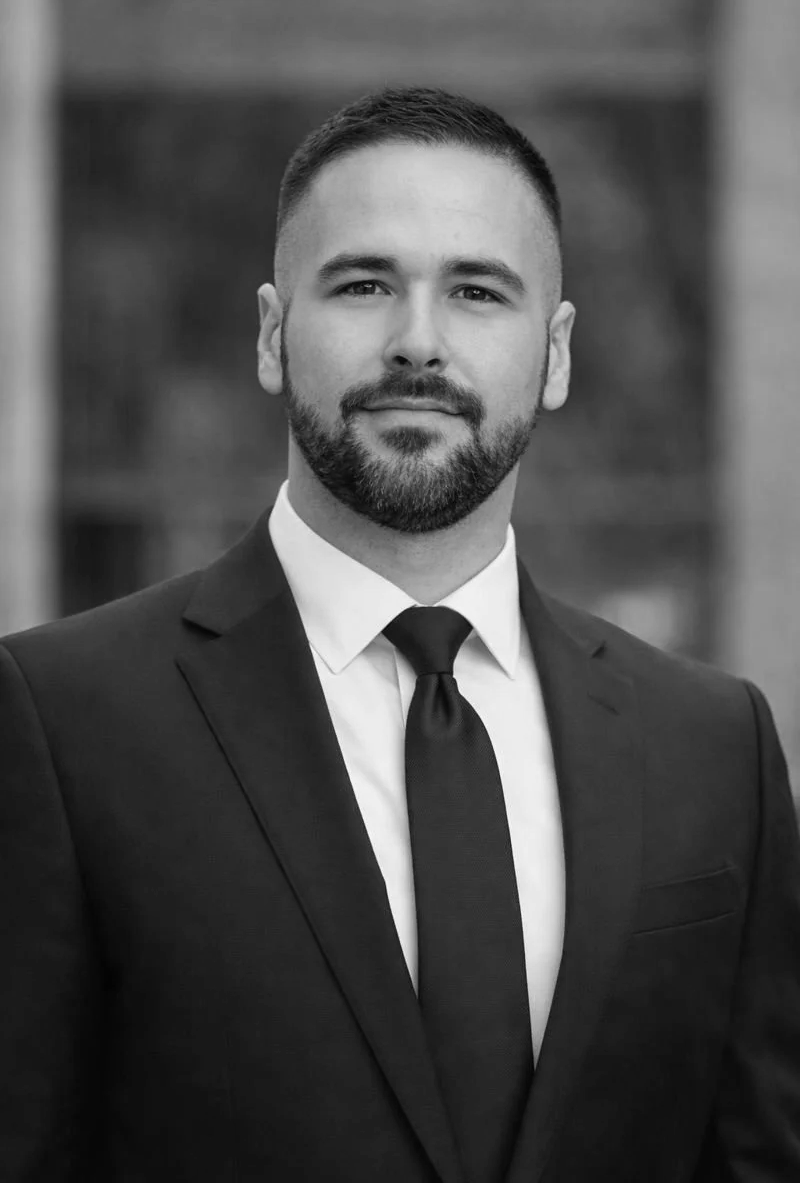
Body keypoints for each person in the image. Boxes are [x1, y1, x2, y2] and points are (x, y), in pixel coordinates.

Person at [1, 86, 799, 1183]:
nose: (417, 343)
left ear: (555, 354)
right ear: (274, 334)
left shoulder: (713, 747)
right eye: (365, 283)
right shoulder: (60, 721)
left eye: (476, 291)